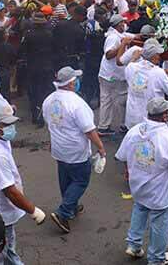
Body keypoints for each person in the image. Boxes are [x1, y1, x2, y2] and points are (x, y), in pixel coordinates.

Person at [116, 98, 168, 264]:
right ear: (165, 116)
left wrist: (128, 171)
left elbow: (123, 155)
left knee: (140, 209)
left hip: (138, 186)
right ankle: (156, 258)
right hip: (159, 194)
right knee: (160, 225)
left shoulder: (134, 131)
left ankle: (134, 245)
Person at [0, 104, 47, 265]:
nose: (11, 128)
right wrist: (33, 211)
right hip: (0, 213)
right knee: (3, 254)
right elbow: (9, 191)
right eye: (6, 125)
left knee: (8, 253)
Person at [42, 67, 106, 233]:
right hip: (76, 150)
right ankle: (63, 212)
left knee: (66, 179)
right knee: (80, 180)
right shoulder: (77, 103)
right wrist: (100, 147)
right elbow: (89, 130)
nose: (77, 82)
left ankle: (71, 206)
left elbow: (49, 124)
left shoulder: (49, 100)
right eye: (75, 80)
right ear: (71, 83)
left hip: (59, 149)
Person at [124, 39, 168, 130]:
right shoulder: (158, 72)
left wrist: (133, 58)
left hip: (133, 117)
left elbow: (129, 67)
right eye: (158, 54)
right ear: (153, 56)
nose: (159, 57)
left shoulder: (131, 67)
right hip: (151, 119)